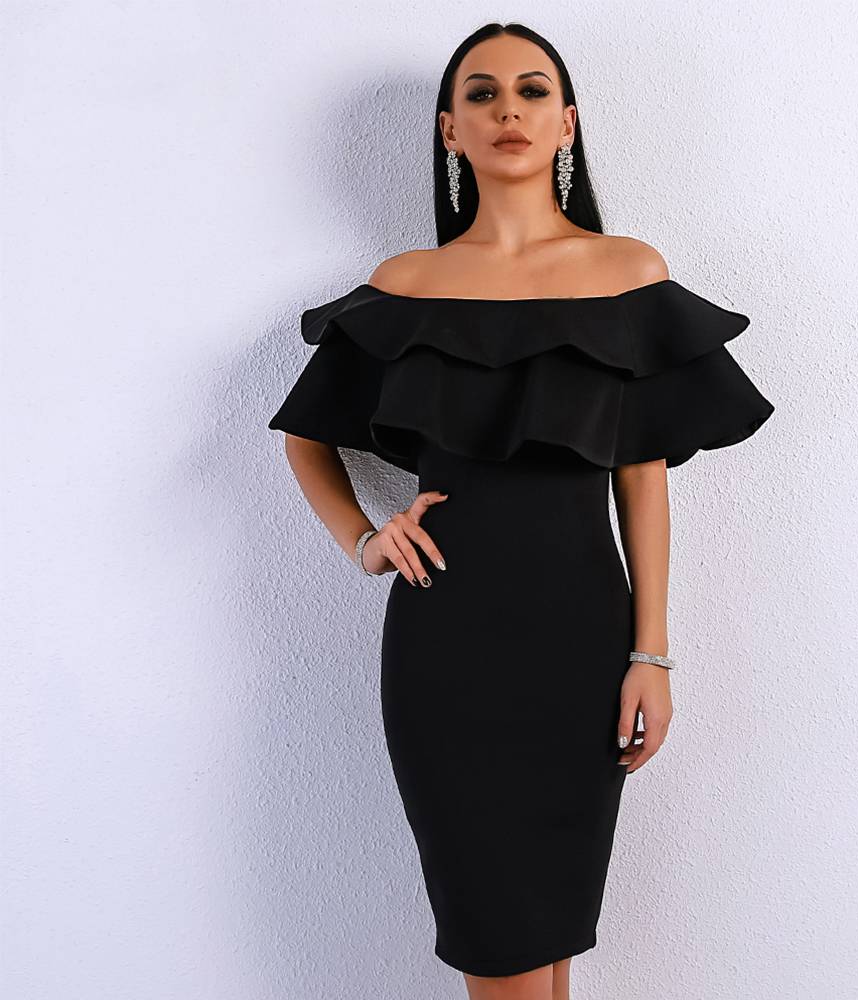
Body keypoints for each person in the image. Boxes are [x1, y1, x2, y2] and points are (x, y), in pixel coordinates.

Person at [268, 22, 774, 1000]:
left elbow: (642, 479)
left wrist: (652, 655)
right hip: (446, 651)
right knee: (496, 940)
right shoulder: (406, 286)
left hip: (584, 648)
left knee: (549, 937)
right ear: (450, 130)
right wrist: (365, 538)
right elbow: (305, 435)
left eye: (533, 91)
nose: (509, 109)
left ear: (566, 123)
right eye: (483, 93)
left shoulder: (627, 273)